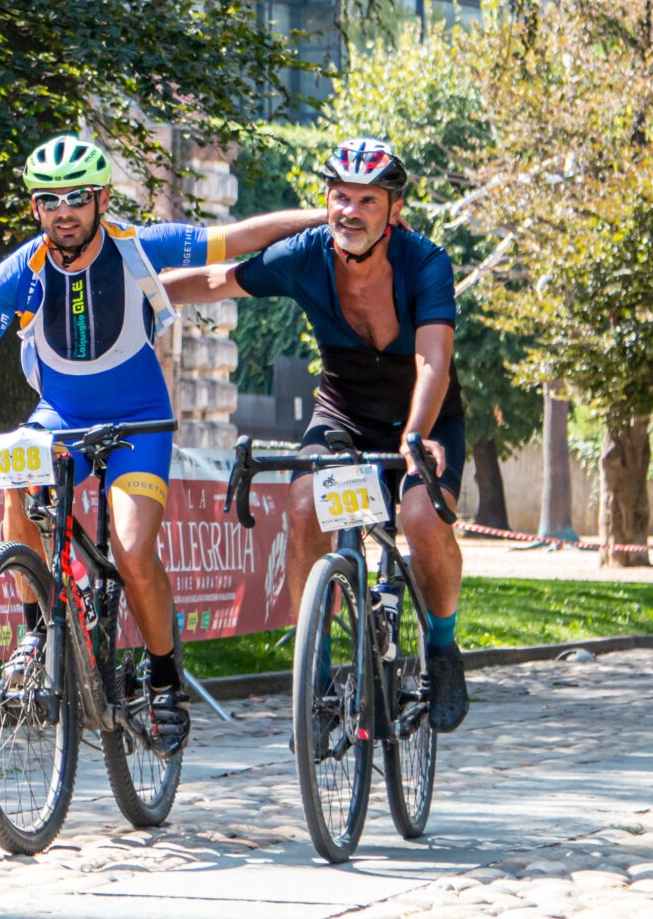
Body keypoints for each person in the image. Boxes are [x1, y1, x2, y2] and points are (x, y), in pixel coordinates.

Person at [0, 134, 324, 756]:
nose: (63, 210)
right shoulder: (18, 273)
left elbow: (239, 236)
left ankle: (163, 677)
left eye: (76, 197)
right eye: (49, 200)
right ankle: (38, 630)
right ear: (35, 208)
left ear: (99, 198)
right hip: (58, 417)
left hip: (139, 421)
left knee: (129, 547)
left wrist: (327, 216)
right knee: (15, 473)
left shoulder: (137, 248)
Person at [163, 137, 469, 733]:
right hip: (344, 416)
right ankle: (319, 674)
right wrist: (138, 292)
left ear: (394, 210)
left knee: (422, 520)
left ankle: (442, 649)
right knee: (304, 505)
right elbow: (217, 279)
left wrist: (414, 436)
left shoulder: (426, 262)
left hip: (424, 420)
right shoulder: (306, 256)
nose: (349, 211)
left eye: (366, 200)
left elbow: (433, 361)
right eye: (339, 197)